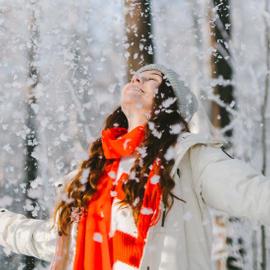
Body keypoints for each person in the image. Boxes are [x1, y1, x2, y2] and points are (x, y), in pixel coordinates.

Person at [0, 64, 269, 270]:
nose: (137, 79)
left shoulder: (187, 158)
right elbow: (54, 240)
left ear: (168, 104)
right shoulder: (92, 173)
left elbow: (253, 195)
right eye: (136, 77)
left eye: (152, 79)